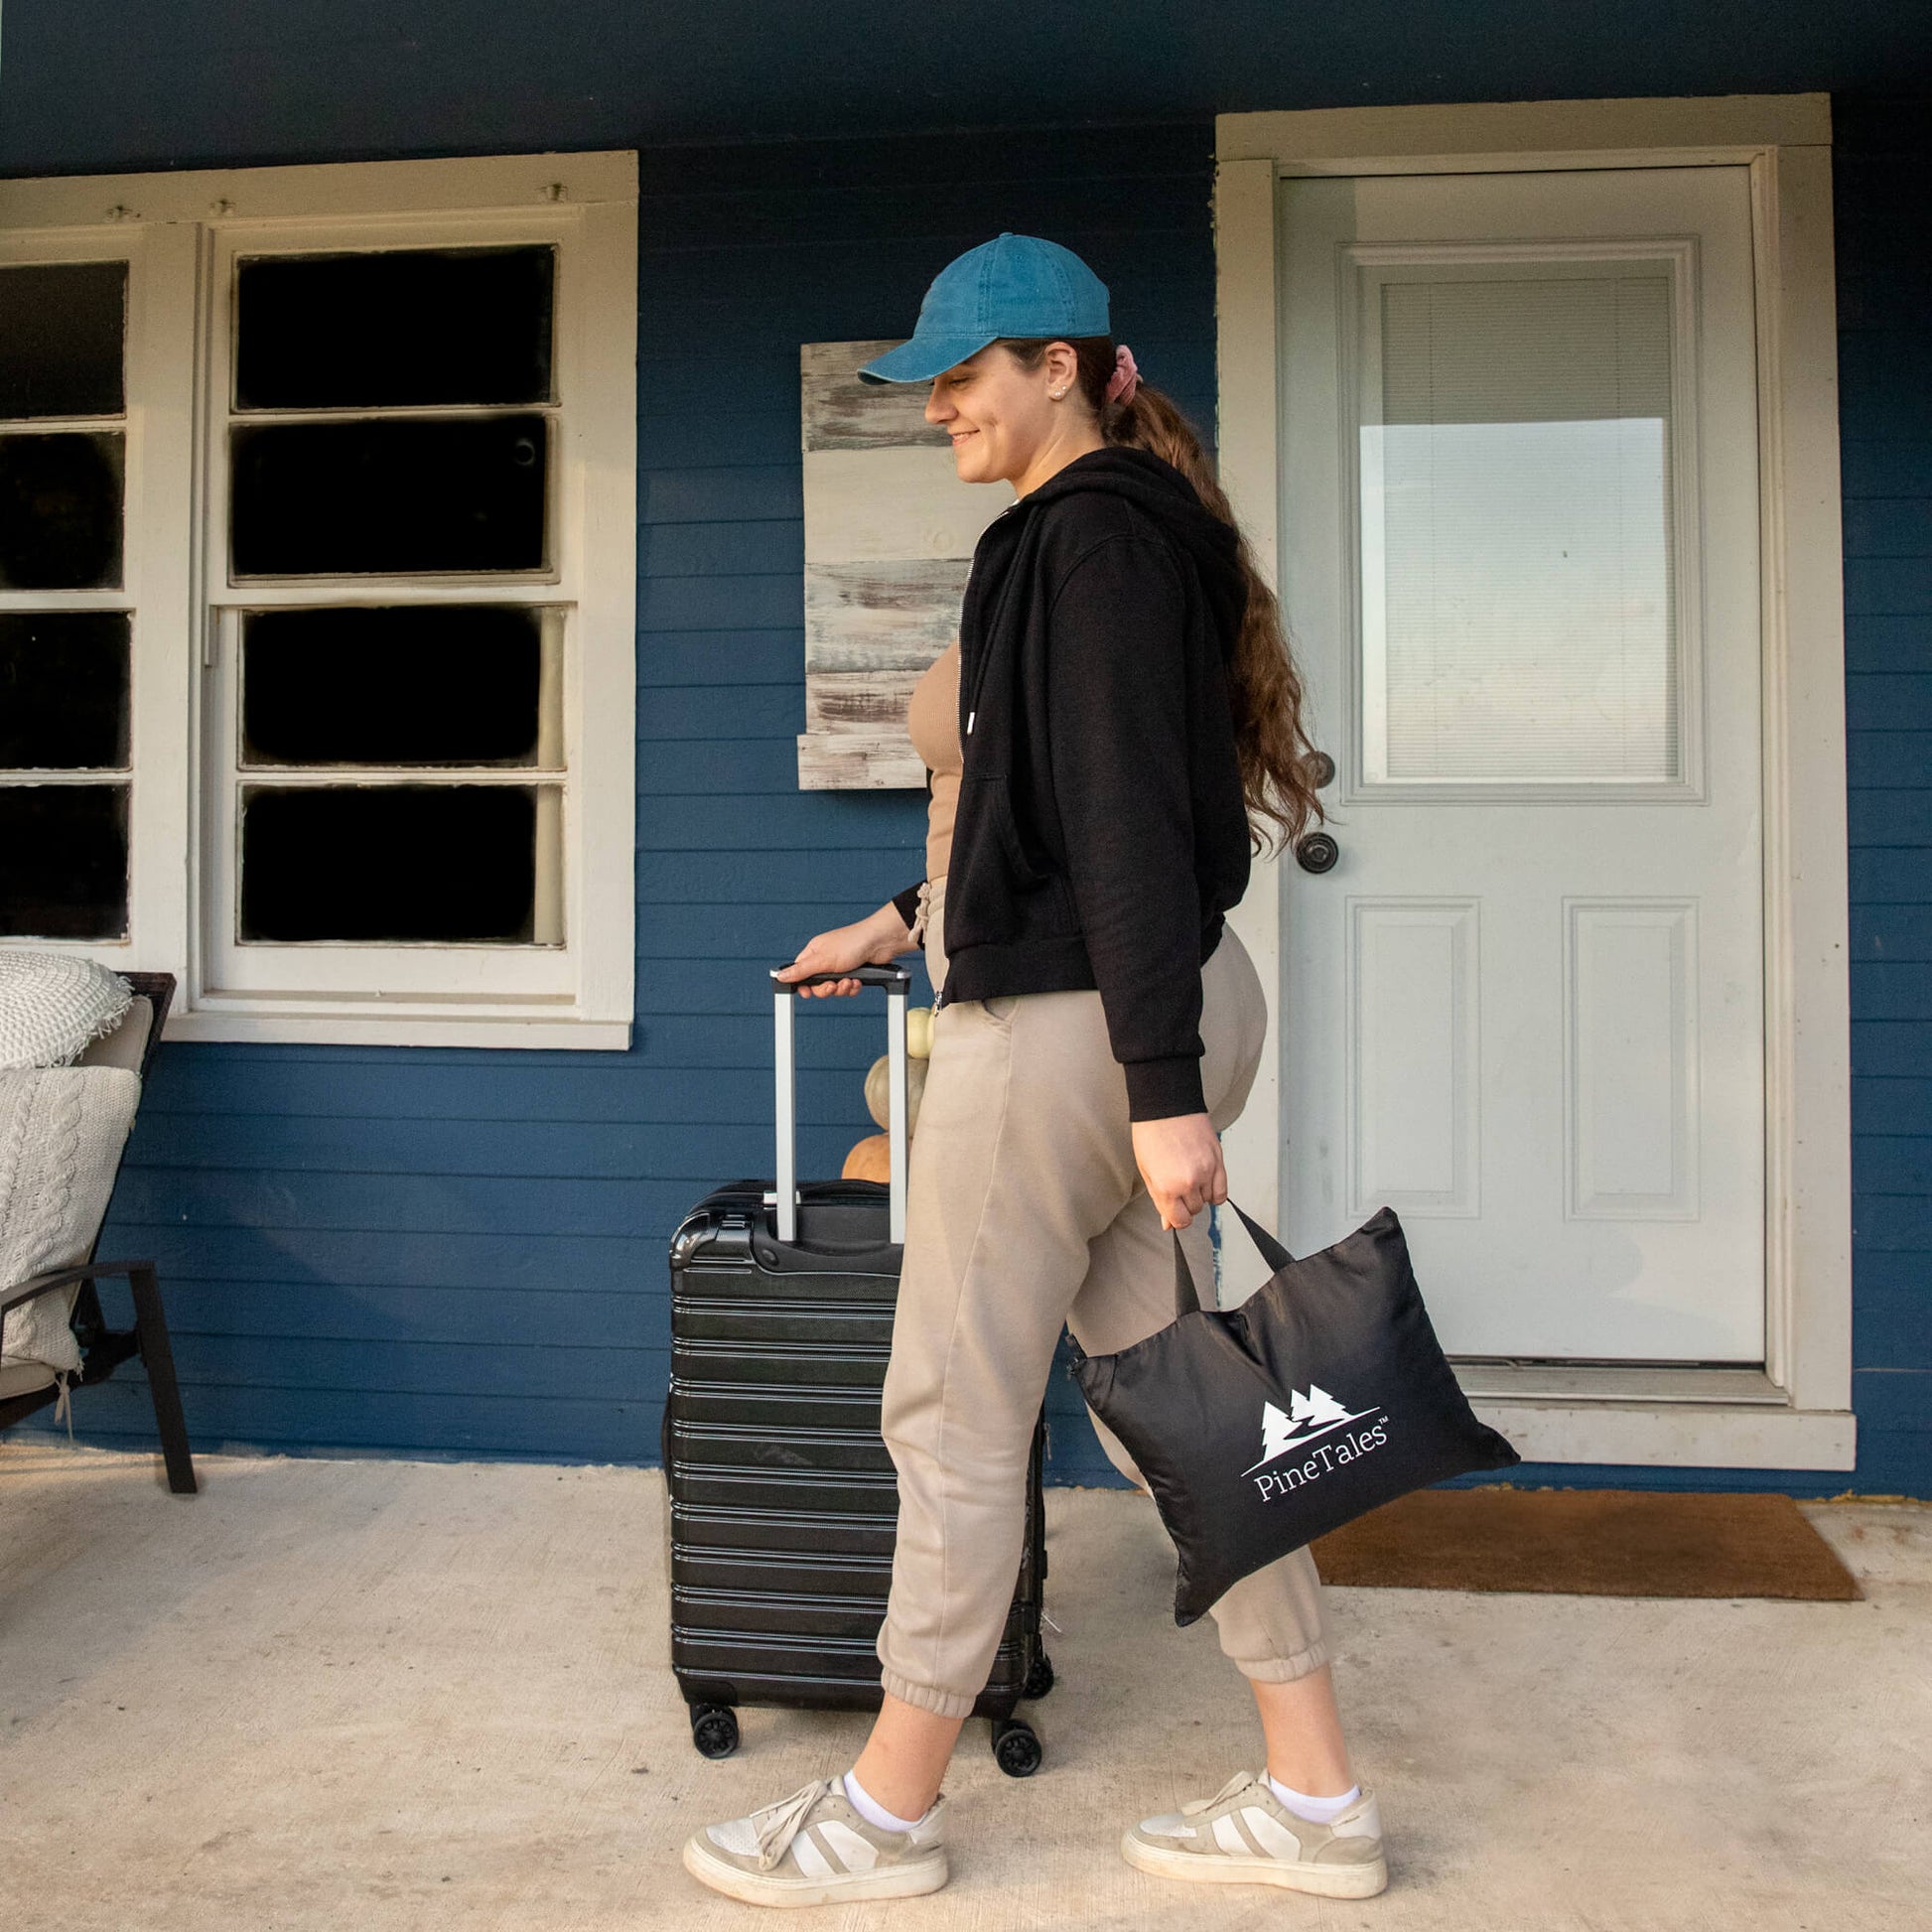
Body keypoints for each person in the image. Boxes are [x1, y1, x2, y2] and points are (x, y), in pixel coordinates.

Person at [681, 232, 1385, 1908]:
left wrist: (1157, 1086)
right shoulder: (1121, 541)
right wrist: (904, 917)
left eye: (961, 379)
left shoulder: (1082, 542)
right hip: (1118, 1009)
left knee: (947, 1413)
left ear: (1058, 364)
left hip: (1083, 1032)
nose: (938, 412)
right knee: (1188, 1413)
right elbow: (1054, 815)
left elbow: (1127, 826)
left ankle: (882, 1813)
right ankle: (1316, 1793)